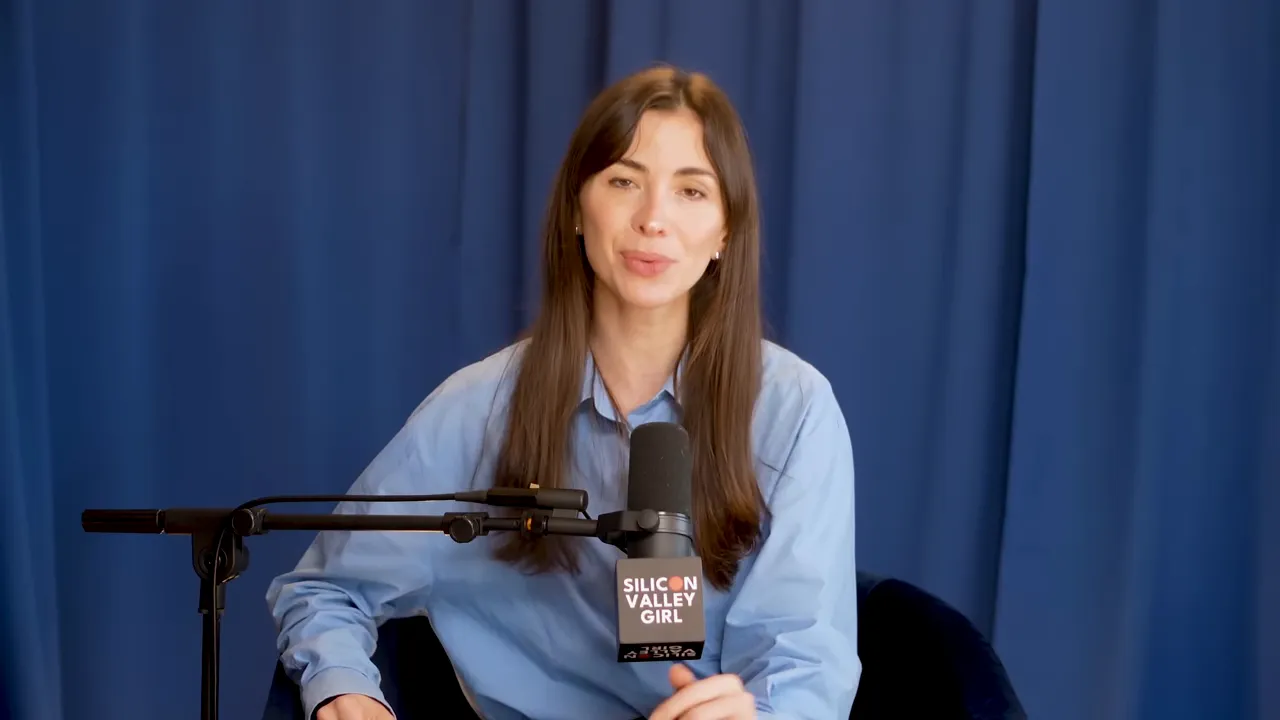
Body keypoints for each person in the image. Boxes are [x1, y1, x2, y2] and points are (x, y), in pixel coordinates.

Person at [266, 64, 860, 720]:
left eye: (691, 191)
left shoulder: (793, 411)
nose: (653, 219)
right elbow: (324, 587)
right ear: (578, 209)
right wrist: (346, 691)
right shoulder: (481, 410)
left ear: (725, 231)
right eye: (624, 182)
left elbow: (804, 662)